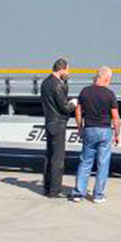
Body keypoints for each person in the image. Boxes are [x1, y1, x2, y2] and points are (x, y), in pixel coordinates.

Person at [73, 66, 120, 203]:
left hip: (89, 129)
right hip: (105, 131)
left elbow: (78, 111)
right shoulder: (110, 94)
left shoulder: (85, 91)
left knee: (85, 162)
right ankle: (98, 195)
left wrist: (79, 127)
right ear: (106, 78)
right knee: (103, 164)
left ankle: (78, 193)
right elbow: (115, 116)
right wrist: (117, 133)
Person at [40, 58, 73, 199]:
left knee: (49, 156)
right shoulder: (57, 85)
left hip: (49, 122)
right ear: (61, 69)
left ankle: (47, 187)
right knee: (58, 159)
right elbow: (64, 107)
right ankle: (55, 190)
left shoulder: (45, 82)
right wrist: (73, 104)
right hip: (58, 123)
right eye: (67, 70)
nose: (68, 73)